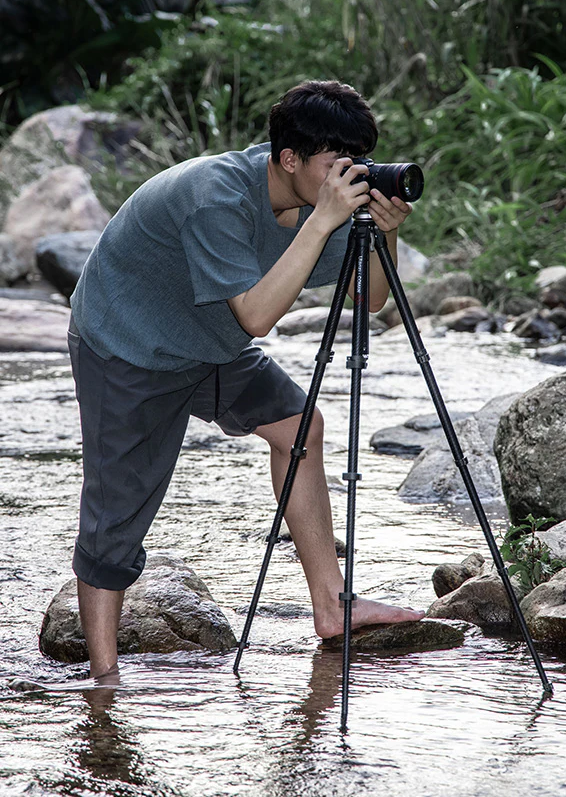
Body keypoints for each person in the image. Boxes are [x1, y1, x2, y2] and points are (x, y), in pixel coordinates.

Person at [67, 79, 425, 683]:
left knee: (299, 426)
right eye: (337, 164)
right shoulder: (217, 196)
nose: (351, 176)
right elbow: (257, 318)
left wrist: (384, 228)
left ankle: (332, 609)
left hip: (206, 344)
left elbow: (370, 299)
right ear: (289, 159)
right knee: (118, 514)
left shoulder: (322, 204)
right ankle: (104, 683)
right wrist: (325, 222)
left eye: (357, 162)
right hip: (127, 345)